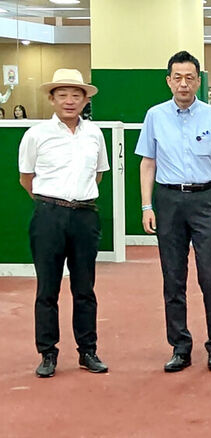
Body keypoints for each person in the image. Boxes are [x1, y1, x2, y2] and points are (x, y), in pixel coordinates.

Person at [136, 50, 211, 373]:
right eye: (177, 78)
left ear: (198, 80)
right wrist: (147, 206)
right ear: (168, 81)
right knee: (173, 278)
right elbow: (147, 163)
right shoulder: (154, 116)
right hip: (168, 201)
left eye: (189, 77)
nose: (183, 84)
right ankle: (180, 346)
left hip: (206, 199)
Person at [18, 68, 110, 377]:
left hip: (85, 215)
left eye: (76, 95)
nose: (69, 101)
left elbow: (97, 174)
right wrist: (51, 205)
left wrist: (74, 204)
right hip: (48, 216)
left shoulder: (95, 134)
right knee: (48, 288)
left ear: (85, 100)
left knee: (85, 288)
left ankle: (88, 351)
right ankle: (47, 353)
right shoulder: (36, 135)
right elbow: (26, 179)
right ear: (52, 98)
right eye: (62, 95)